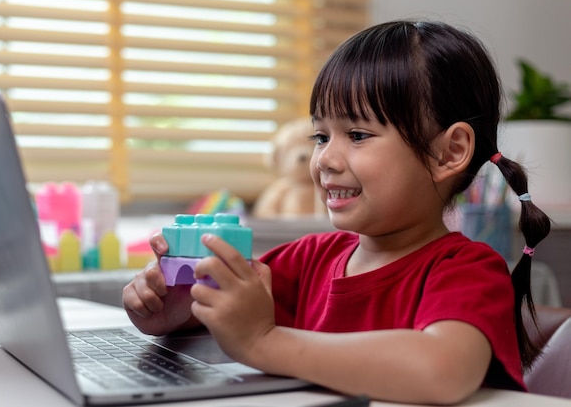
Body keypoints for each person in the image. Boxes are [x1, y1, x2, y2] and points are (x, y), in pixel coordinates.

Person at [122, 20, 551, 404]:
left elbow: (440, 372)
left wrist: (263, 343)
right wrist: (176, 309)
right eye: (320, 136)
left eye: (358, 134)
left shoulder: (468, 271)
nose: (325, 159)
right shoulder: (305, 261)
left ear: (448, 152)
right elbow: (234, 317)